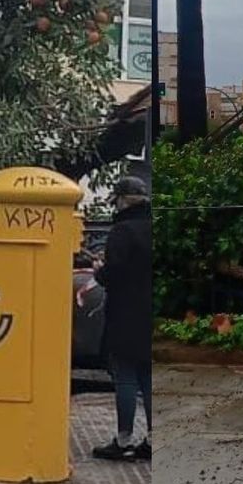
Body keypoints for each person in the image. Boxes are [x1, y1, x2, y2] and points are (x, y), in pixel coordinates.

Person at [90, 175, 154, 461]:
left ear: (122, 201)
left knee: (125, 375)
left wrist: (99, 271)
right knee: (148, 376)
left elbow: (113, 274)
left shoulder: (122, 231)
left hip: (126, 313)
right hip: (151, 311)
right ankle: (152, 440)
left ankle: (124, 439)